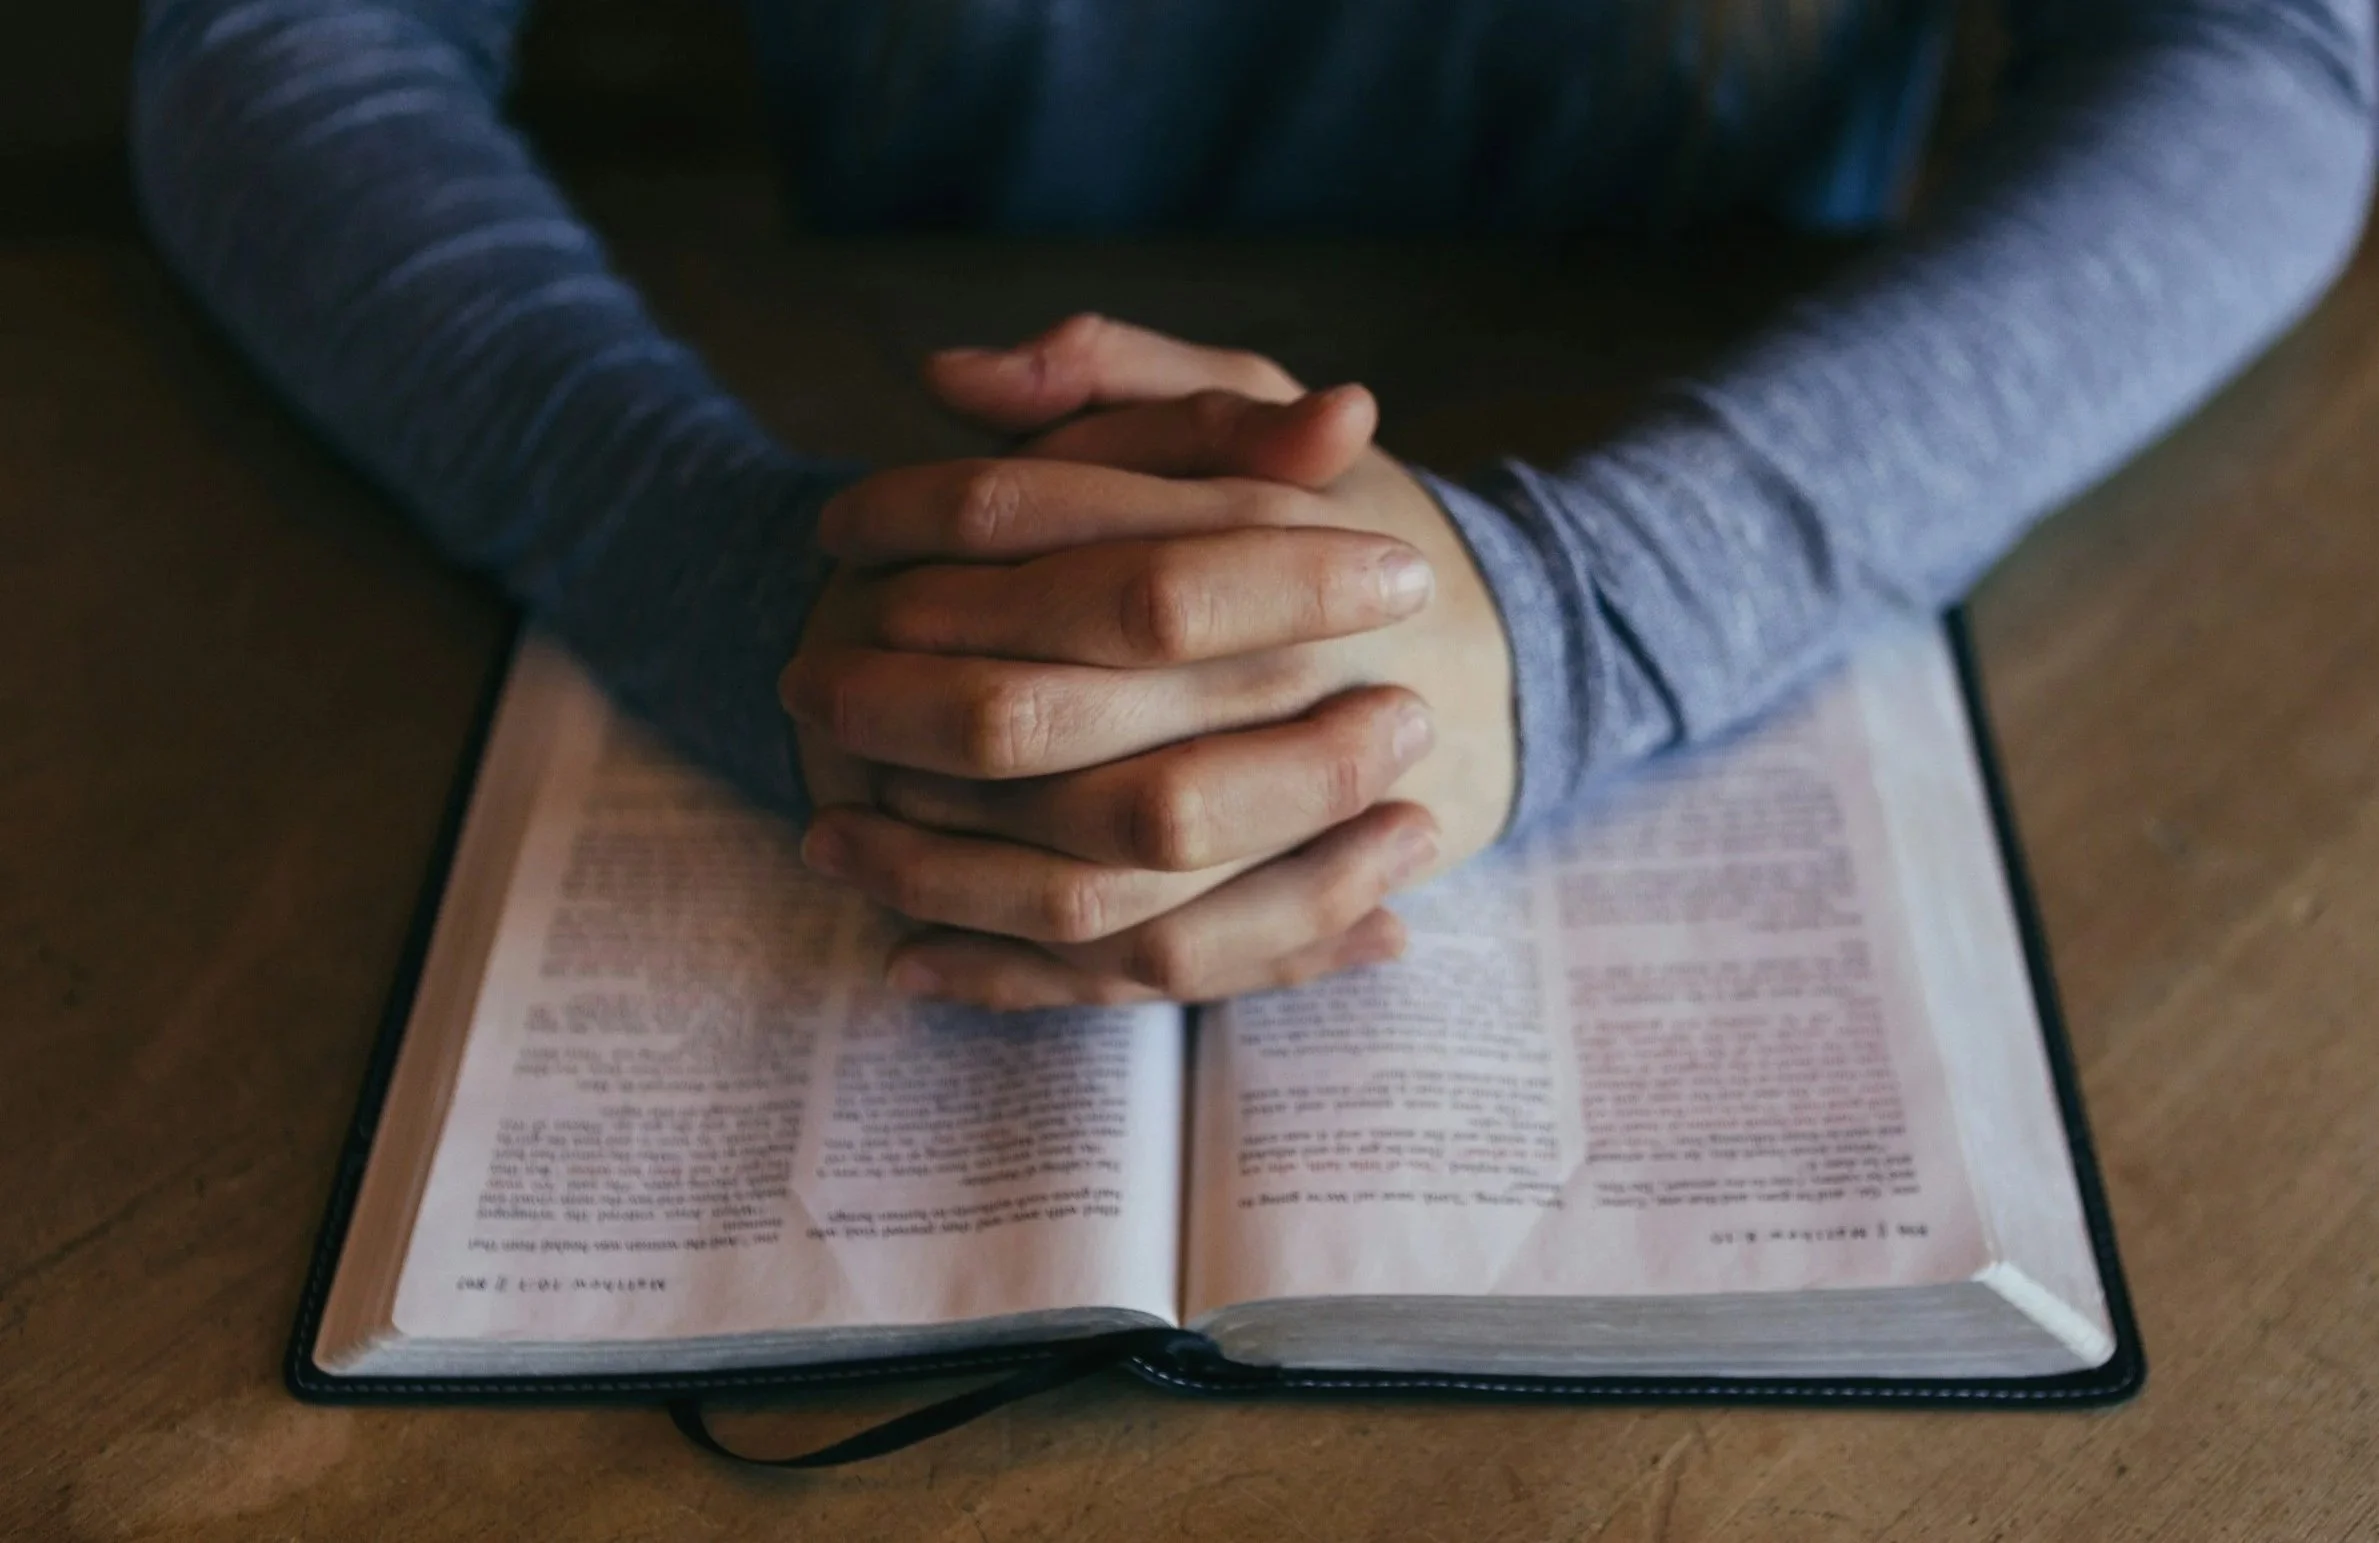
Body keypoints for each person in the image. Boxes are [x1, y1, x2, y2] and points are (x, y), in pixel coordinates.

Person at [130, 1, 2375, 1007]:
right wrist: (761, 581)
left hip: (1710, 413)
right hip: (892, 441)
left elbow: (2264, 48)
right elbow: (271, 43)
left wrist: (1586, 620)